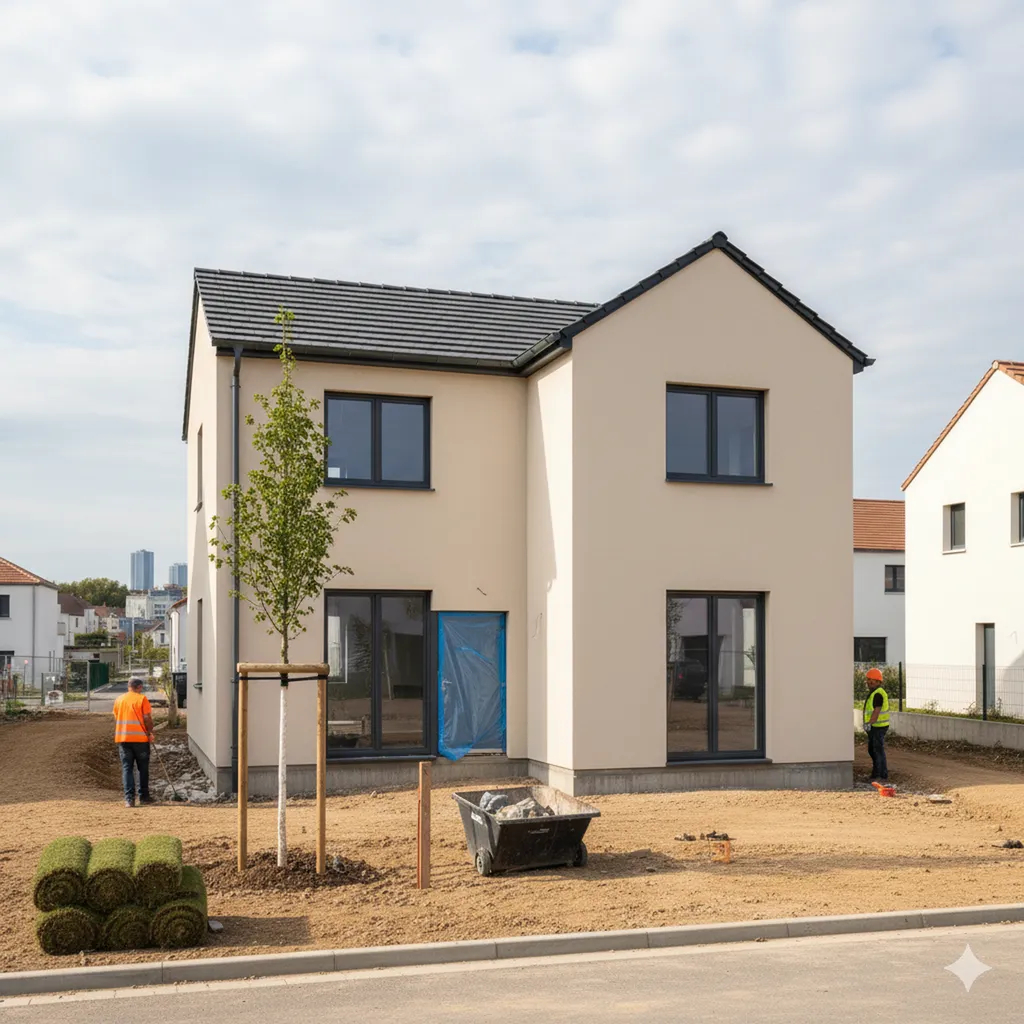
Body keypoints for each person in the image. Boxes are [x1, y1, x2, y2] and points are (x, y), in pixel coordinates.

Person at [113, 678, 155, 807]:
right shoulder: (142, 699)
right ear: (140, 687)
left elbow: (116, 716)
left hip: (123, 739)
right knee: (143, 768)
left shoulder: (119, 700)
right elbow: (147, 718)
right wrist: (150, 732)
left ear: (129, 686)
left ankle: (129, 799)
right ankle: (144, 797)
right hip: (140, 740)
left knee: (127, 768)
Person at [863, 667, 890, 782]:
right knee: (873, 750)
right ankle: (876, 773)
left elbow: (876, 711)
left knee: (877, 750)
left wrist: (869, 723)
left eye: (872, 680)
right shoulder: (874, 693)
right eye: (868, 680)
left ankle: (881, 775)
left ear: (879, 682)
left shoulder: (878, 694)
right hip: (875, 727)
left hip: (878, 727)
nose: (870, 682)